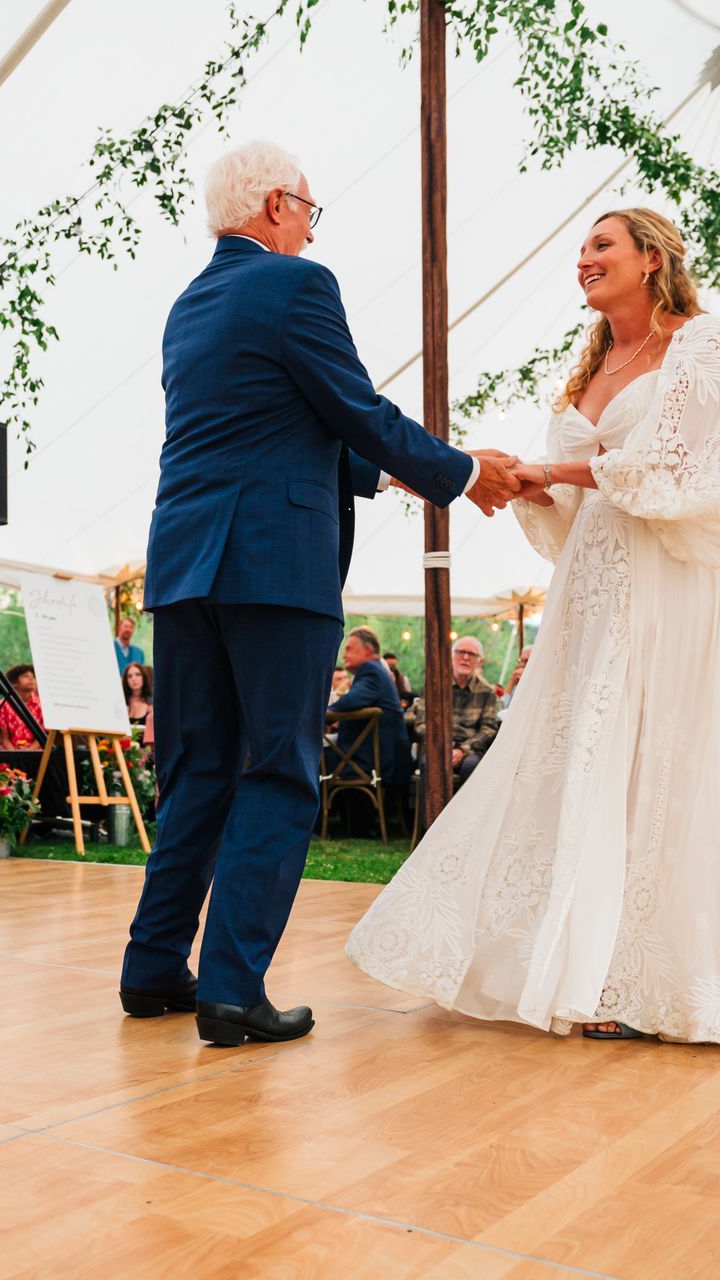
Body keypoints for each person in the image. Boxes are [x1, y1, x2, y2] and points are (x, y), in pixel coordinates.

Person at [349, 208, 720, 1047]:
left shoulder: (705, 344)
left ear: (653, 260)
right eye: (581, 249)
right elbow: (581, 501)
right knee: (592, 763)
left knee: (671, 758)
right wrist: (523, 483)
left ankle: (667, 976)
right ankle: (586, 960)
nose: (583, 259)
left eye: (602, 245)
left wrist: (549, 467)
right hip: (593, 591)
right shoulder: (590, 367)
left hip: (675, 586)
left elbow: (680, 468)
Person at [119, 139, 523, 1048]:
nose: (309, 222)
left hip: (186, 567)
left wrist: (392, 480)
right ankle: (231, 990)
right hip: (273, 564)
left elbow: (273, 422)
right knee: (278, 770)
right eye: (308, 206)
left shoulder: (190, 305)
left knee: (197, 770)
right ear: (273, 207)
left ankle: (152, 969)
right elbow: (354, 408)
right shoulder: (301, 286)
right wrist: (460, 472)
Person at [327, 626, 412, 788]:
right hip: (380, 756)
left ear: (366, 650)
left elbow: (351, 700)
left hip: (377, 761)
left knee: (314, 758)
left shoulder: (370, 670)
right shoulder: (377, 670)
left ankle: (315, 811)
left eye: (349, 649)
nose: (344, 655)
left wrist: (325, 715)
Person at [444, 634, 501, 785]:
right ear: (451, 656)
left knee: (473, 766)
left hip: (471, 750)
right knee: (431, 765)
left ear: (479, 662)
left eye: (471, 654)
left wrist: (462, 750)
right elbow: (422, 724)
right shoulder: (436, 687)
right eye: (460, 652)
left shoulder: (487, 692)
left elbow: (488, 729)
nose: (465, 658)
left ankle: (468, 809)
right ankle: (432, 809)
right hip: (439, 748)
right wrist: (444, 748)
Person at [0, 663, 44, 749]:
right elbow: (4, 739)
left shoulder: (40, 705)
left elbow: (42, 738)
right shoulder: (4, 704)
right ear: (14, 683)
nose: (31, 678)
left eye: (33, 676)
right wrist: (15, 753)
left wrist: (29, 751)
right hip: (10, 752)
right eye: (25, 676)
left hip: (35, 753)